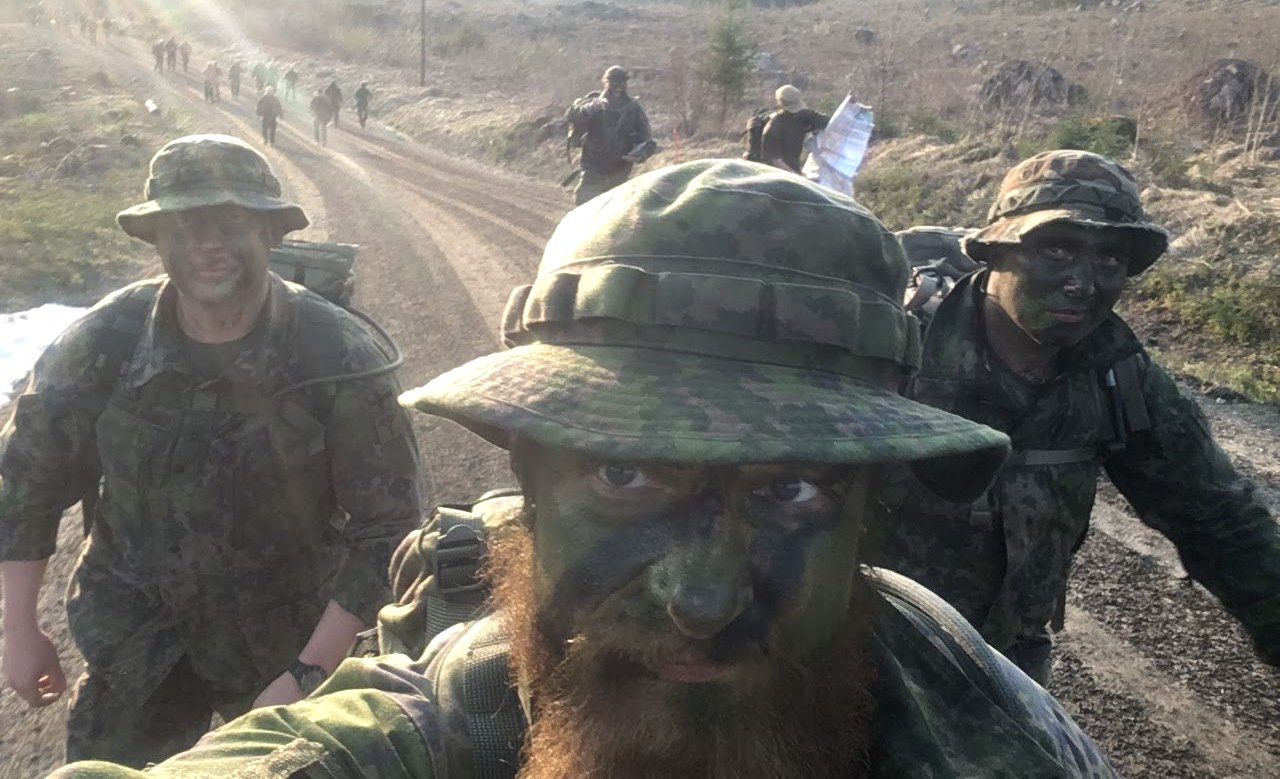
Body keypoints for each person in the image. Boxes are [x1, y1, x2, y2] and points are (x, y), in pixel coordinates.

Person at [51, 160, 1117, 779]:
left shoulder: (989, 740)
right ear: (524, 480)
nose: (700, 597)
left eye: (791, 489)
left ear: (871, 511)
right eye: (622, 475)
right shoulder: (448, 709)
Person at [0, 134, 423, 767]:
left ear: (271, 233)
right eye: (184, 225)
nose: (207, 244)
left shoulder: (338, 355)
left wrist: (307, 677)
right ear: (157, 239)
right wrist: (19, 628)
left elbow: (386, 530)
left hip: (285, 642)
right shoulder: (107, 338)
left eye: (230, 223)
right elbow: (25, 479)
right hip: (136, 641)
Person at [865, 149, 1280, 684]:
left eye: (1110, 260)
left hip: (1009, 662)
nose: (1083, 282)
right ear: (996, 249)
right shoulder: (901, 351)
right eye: (1057, 249)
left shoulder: (1116, 373)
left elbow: (1217, 516)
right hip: (870, 648)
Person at [565, 65, 656, 205]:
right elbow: (572, 115)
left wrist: (639, 154)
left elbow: (647, 140)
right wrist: (589, 109)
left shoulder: (633, 108)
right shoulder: (592, 103)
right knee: (584, 201)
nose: (618, 86)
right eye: (614, 82)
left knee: (613, 207)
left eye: (622, 82)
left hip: (620, 168)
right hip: (593, 164)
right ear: (605, 82)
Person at [761, 84, 831, 174]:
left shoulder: (803, 117)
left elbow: (831, 123)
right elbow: (774, 160)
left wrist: (850, 104)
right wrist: (796, 177)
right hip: (777, 175)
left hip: (795, 169)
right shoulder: (775, 125)